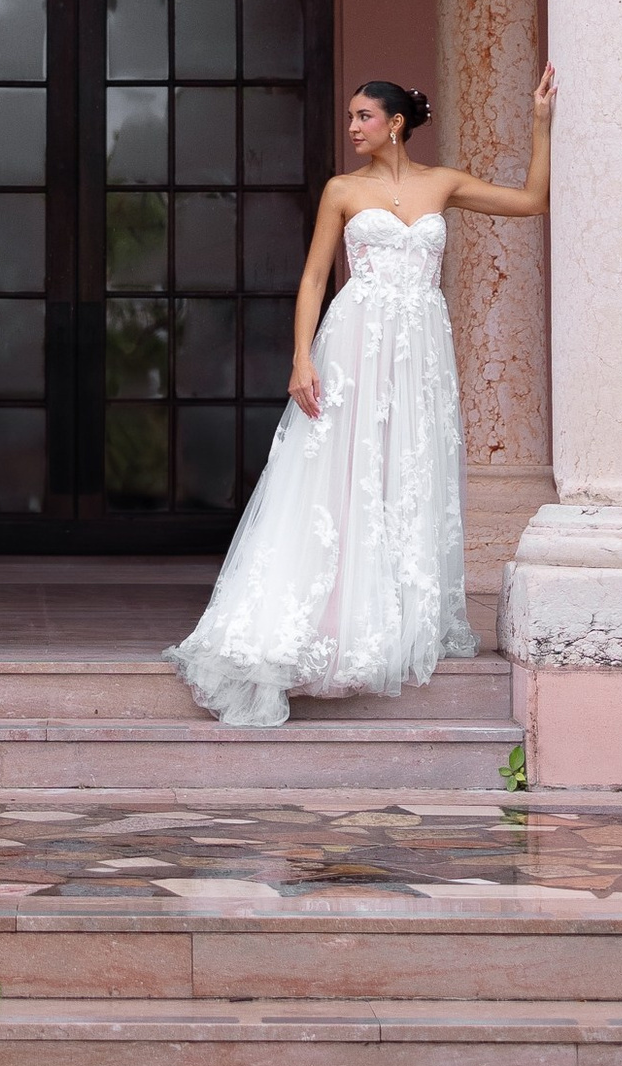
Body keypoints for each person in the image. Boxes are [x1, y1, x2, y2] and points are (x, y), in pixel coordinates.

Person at [170, 65, 556, 731]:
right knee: (340, 469)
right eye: (351, 117)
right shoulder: (342, 190)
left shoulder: (443, 183)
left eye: (363, 116)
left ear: (395, 123)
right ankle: (323, 616)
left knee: (409, 469)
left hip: (420, 349)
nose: (352, 126)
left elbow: (531, 202)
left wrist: (542, 124)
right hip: (354, 340)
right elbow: (314, 276)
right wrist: (301, 357)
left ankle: (397, 613)